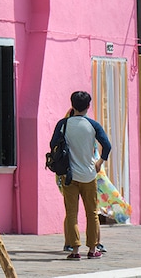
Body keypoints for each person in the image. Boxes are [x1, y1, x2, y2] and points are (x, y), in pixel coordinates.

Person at [49, 91, 112, 260]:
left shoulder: (63, 124)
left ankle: (75, 250)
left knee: (71, 213)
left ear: (72, 105)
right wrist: (99, 162)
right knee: (92, 213)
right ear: (88, 106)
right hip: (89, 175)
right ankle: (92, 249)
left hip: (69, 175)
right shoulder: (93, 125)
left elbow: (53, 144)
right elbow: (107, 145)